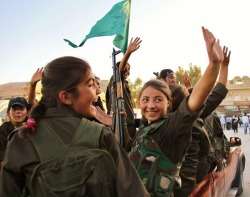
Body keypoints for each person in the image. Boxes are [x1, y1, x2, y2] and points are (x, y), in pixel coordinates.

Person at [0, 56, 149, 197]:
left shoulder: (21, 140)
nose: (97, 90)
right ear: (65, 97)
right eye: (90, 85)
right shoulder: (101, 135)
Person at [128, 26, 225, 196]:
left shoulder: (172, 127)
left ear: (169, 104)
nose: (150, 105)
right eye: (145, 99)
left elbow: (195, 99)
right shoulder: (145, 129)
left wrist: (214, 65)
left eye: (158, 99)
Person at [106, 37, 142, 138]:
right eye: (126, 68)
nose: (128, 71)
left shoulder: (123, 83)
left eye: (129, 69)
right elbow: (119, 71)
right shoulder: (116, 79)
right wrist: (128, 53)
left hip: (129, 122)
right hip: (122, 124)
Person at [0, 97, 30, 168]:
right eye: (14, 109)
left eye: (21, 109)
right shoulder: (2, 131)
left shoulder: (32, 129)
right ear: (8, 113)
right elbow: (1, 160)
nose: (18, 112)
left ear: (27, 113)